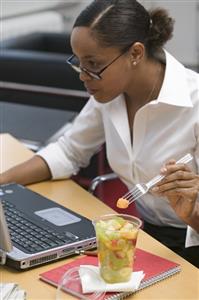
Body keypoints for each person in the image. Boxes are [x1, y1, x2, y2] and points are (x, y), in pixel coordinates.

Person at [0, 0, 199, 266]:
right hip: (147, 235)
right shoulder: (110, 93)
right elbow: (69, 150)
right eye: (78, 63)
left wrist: (191, 213)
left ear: (136, 53)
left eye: (92, 63)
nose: (83, 76)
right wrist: (3, 181)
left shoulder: (194, 103)